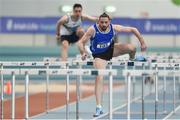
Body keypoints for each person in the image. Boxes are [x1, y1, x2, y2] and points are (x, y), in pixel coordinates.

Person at [78, 12, 147, 117]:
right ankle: (99, 107)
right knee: (99, 77)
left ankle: (132, 58)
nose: (104, 24)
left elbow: (133, 29)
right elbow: (80, 42)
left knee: (132, 48)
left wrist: (142, 42)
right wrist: (83, 53)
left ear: (109, 22)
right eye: (102, 22)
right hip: (99, 55)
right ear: (98, 22)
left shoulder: (114, 27)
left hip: (111, 50)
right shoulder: (93, 29)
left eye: (106, 22)